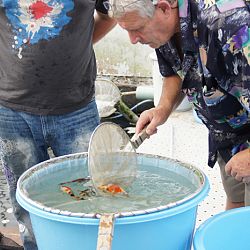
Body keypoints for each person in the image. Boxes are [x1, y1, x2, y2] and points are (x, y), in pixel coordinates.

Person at [106, 0, 250, 209]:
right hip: (227, 132)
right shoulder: (164, 29)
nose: (133, 40)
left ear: (164, 7)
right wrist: (163, 108)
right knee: (236, 203)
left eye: (137, 29)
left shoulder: (230, 25)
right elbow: (177, 71)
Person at [0, 1, 116, 249]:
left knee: (90, 195)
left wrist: (78, 48)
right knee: (25, 200)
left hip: (77, 107)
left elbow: (109, 16)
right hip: (11, 109)